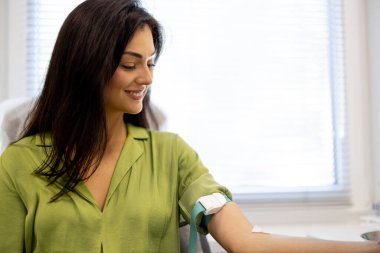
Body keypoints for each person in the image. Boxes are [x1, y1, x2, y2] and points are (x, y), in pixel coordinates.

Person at [0, 0, 379, 252]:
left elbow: (246, 241)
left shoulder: (171, 155)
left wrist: (368, 247)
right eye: (130, 64)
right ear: (85, 65)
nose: (146, 78)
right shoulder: (19, 164)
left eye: (151, 63)